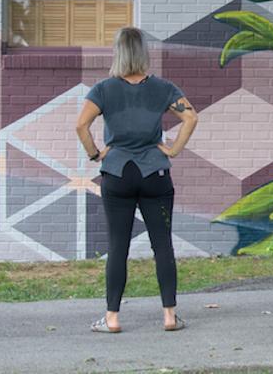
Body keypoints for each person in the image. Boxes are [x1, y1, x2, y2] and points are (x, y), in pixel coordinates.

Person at [76, 27, 199, 333]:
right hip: (155, 174)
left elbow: (81, 126)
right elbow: (191, 117)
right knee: (163, 246)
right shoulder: (163, 88)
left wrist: (96, 155)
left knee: (118, 247)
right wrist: (173, 150)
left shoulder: (103, 89)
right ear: (144, 53)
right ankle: (170, 316)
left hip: (117, 174)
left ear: (118, 53)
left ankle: (112, 318)